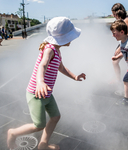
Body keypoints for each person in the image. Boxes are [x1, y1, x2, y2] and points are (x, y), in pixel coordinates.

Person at [7, 17, 86, 150]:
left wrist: (75, 76)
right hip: (36, 93)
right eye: (70, 36)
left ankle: (43, 144)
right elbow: (42, 65)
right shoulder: (49, 49)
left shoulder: (57, 50)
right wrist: (40, 82)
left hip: (46, 92)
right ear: (63, 37)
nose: (71, 39)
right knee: (39, 125)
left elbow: (61, 68)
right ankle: (12, 133)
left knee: (55, 117)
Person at [111, 3, 128, 95]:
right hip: (123, 44)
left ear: (118, 12)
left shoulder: (126, 20)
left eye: (114, 14)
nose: (114, 16)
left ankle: (120, 81)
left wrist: (120, 48)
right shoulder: (121, 20)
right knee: (115, 61)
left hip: (125, 45)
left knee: (115, 61)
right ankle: (118, 80)